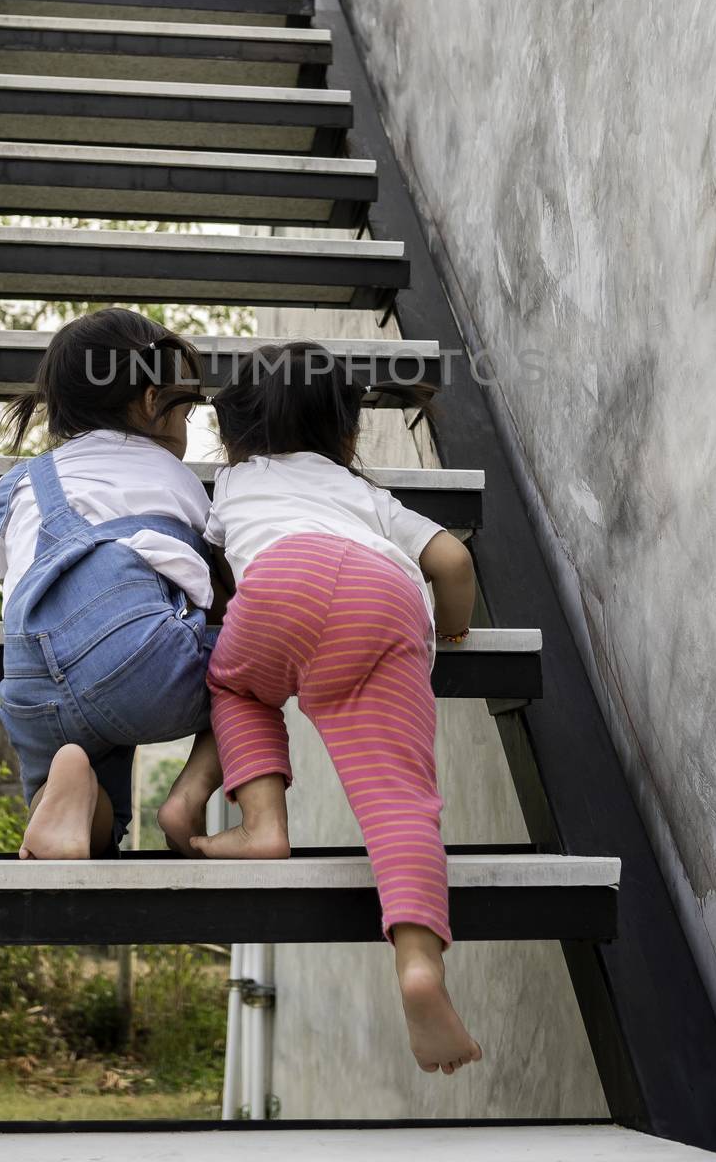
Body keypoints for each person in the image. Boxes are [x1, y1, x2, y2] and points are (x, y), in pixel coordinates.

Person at [190, 342, 483, 1076]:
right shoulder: (371, 499)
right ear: (347, 435)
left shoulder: (233, 483)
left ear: (235, 433)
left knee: (233, 685)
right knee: (398, 799)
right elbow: (450, 561)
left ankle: (262, 825)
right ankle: (418, 964)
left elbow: (216, 575)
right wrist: (448, 633)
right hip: (382, 598)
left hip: (279, 580)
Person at [0, 307, 225, 859]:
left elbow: (8, 575)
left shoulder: (19, 484)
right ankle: (189, 796)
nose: (185, 432)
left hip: (31, 679)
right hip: (134, 660)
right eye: (185, 413)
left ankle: (71, 796)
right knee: (264, 663)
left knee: (95, 823)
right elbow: (221, 583)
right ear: (151, 402)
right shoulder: (171, 475)